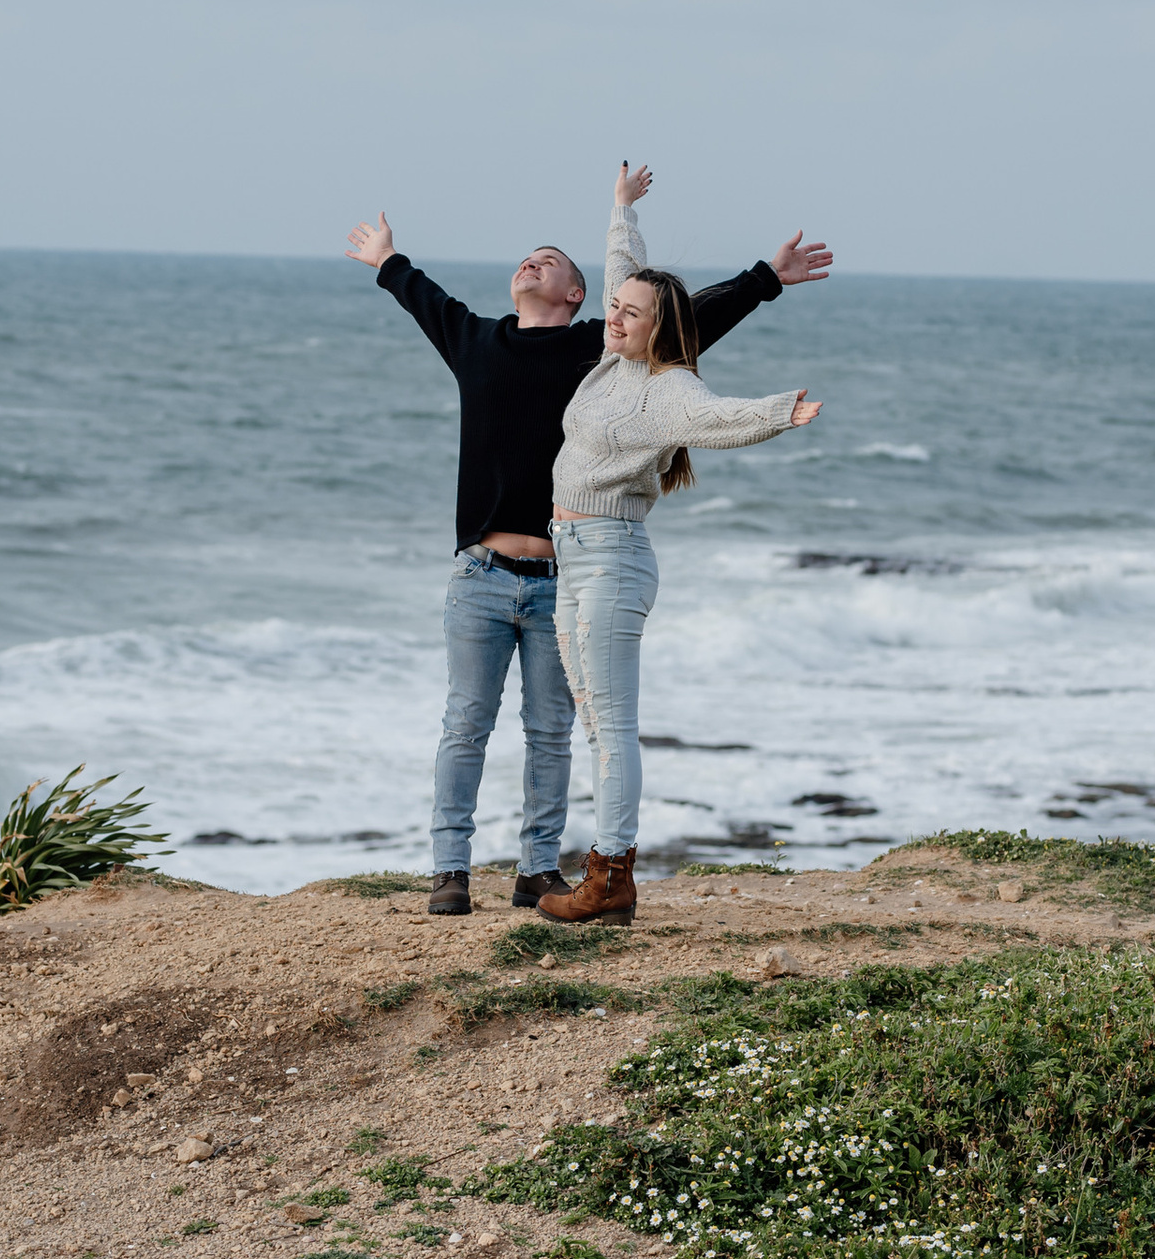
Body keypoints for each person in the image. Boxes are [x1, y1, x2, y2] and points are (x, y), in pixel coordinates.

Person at [346, 173, 830, 916]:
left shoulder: (595, 356)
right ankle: (450, 869)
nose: (531, 264)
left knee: (552, 734)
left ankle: (539, 870)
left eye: (551, 261)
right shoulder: (476, 341)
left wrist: (766, 280)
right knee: (464, 726)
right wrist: (387, 260)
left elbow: (677, 323)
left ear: (578, 294)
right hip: (478, 575)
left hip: (563, 574)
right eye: (525, 260)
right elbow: (425, 299)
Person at [538, 166, 824, 928]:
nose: (616, 316)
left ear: (658, 328)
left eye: (630, 314)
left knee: (611, 724)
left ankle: (612, 875)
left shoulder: (667, 389)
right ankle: (609, 873)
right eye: (616, 309)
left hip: (610, 559)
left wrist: (779, 413)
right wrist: (621, 210)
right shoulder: (611, 363)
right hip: (571, 551)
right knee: (594, 721)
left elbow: (718, 420)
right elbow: (621, 273)